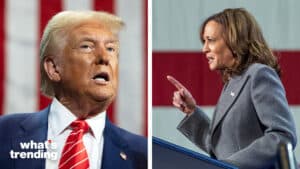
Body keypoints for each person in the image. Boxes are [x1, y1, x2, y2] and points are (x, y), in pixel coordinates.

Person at [0, 11, 147, 169]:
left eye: (111, 49)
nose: (104, 57)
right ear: (54, 68)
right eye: (87, 46)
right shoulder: (4, 133)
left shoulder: (143, 153)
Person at [167, 8, 297, 169]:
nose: (204, 49)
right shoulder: (233, 82)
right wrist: (192, 112)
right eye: (204, 41)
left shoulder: (259, 75)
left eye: (211, 40)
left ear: (234, 40)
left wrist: (228, 166)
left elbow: (282, 136)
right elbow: (222, 147)